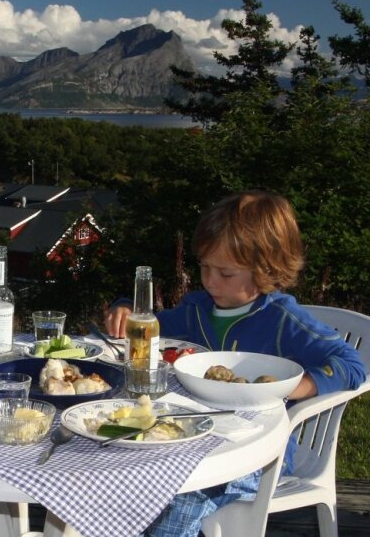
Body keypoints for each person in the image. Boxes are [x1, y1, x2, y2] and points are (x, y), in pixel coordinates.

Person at [105, 190, 366, 536]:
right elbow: (150, 324)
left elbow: (351, 363)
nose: (211, 281)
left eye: (226, 274)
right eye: (205, 267)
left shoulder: (282, 319)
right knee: (130, 479)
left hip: (260, 451)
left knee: (182, 499)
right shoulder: (197, 309)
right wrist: (125, 307)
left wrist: (298, 386)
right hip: (193, 436)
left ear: (267, 269)